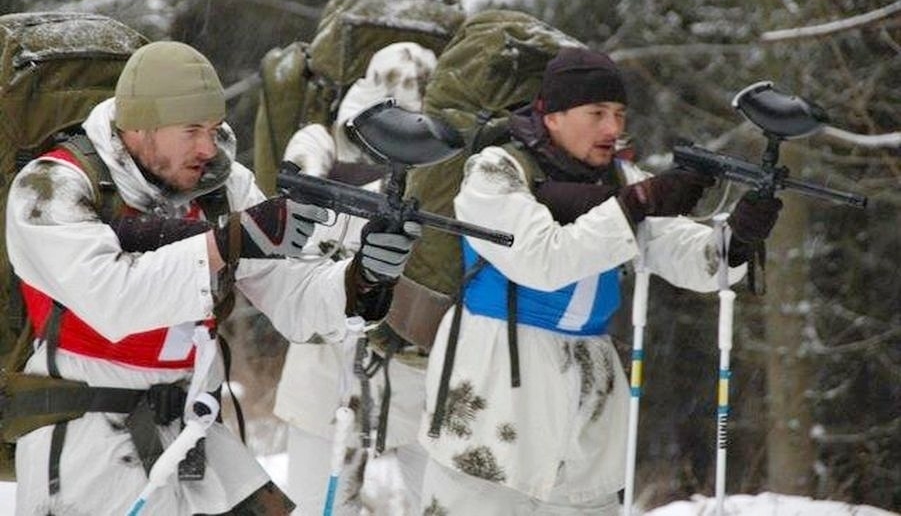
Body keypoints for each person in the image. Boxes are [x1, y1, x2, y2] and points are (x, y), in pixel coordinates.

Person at [5, 41, 419, 515]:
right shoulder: (52, 185)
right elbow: (113, 300)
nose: (208, 146)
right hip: (85, 443)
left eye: (212, 128)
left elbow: (293, 299)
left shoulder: (223, 186)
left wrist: (362, 279)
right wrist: (226, 243)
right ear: (139, 126)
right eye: (190, 131)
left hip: (193, 434)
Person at [417, 47, 783, 515]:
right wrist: (635, 204)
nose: (612, 129)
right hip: (495, 390)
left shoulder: (620, 176)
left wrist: (739, 238)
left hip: (587, 394)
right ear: (552, 116)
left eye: (619, 114)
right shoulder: (496, 170)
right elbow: (541, 260)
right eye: (597, 113)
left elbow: (688, 257)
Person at [272, 42, 437, 515]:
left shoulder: (437, 162)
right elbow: (302, 227)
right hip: (326, 356)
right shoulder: (318, 143)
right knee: (313, 506)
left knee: (440, 503)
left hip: (408, 358)